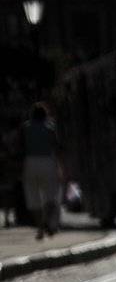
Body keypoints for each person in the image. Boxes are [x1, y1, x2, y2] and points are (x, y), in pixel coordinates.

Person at [22, 103, 63, 241]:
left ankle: (40, 228)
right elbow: (56, 146)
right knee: (51, 196)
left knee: (33, 198)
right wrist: (60, 166)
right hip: (47, 162)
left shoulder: (26, 128)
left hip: (30, 162)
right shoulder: (50, 127)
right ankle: (49, 222)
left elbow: (21, 147)